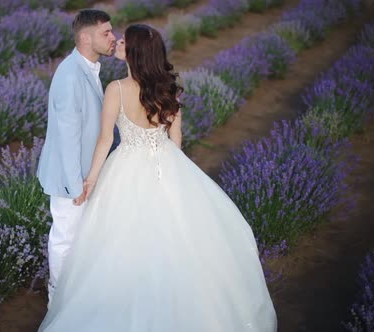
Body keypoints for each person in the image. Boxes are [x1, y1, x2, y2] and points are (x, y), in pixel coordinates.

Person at [38, 24, 278, 331]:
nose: (118, 42)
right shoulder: (168, 89)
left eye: (124, 40)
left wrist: (91, 180)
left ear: (134, 51)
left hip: (125, 166)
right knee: (177, 235)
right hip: (167, 162)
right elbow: (176, 140)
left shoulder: (116, 89)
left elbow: (103, 141)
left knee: (118, 242)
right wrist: (168, 169)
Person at [36, 9, 117, 306]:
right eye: (106, 33)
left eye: (112, 31)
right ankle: (57, 299)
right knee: (65, 239)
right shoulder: (70, 75)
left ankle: (77, 296)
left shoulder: (89, 68)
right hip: (71, 179)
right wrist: (74, 186)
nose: (113, 37)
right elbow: (68, 136)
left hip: (86, 175)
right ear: (85, 37)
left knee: (84, 239)